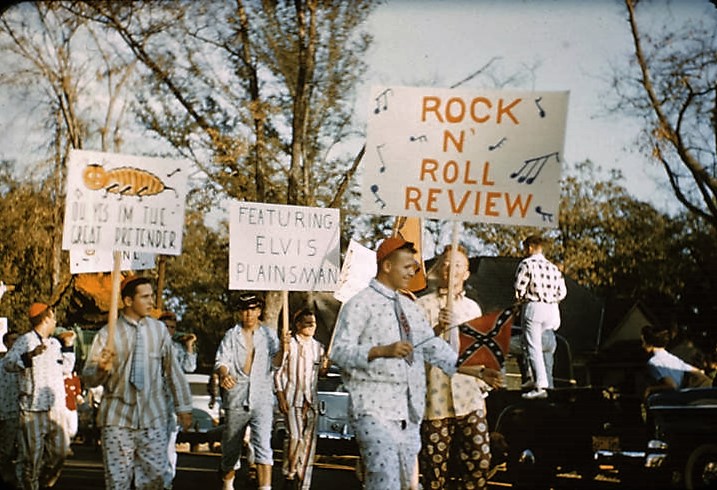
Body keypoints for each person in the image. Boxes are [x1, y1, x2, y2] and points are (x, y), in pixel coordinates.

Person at [330, 237, 503, 490]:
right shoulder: (383, 305)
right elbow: (344, 352)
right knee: (404, 476)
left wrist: (478, 372)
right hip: (402, 407)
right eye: (407, 265)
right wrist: (385, 349)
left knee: (456, 469)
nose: (414, 271)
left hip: (440, 404)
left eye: (457, 266)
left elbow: (445, 351)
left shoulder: (445, 309)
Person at [82, 276, 193, 490]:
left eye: (152, 296)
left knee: (156, 478)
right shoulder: (107, 334)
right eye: (145, 297)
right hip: (117, 418)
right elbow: (88, 377)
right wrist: (101, 370)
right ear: (128, 301)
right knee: (117, 482)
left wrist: (184, 408)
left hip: (154, 417)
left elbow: (174, 371)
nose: (151, 302)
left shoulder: (159, 331)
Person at [417, 244, 501, 490]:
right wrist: (436, 331)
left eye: (457, 265)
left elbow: (480, 352)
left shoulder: (472, 308)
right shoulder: (422, 306)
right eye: (445, 264)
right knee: (434, 469)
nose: (450, 269)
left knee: (479, 459)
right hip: (435, 399)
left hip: (469, 396)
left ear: (466, 273)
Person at [215, 292, 284, 490]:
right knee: (231, 447)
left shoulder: (269, 335)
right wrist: (224, 374)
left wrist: (284, 349)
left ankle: (265, 487)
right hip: (237, 396)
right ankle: (228, 484)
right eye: (245, 310)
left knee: (263, 445)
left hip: (261, 396)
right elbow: (222, 361)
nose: (249, 314)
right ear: (240, 312)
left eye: (253, 309)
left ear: (259, 311)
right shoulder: (231, 335)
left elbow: (276, 364)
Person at [4, 303, 76, 490]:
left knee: (59, 453)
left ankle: (44, 483)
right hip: (32, 408)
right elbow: (8, 364)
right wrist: (29, 356)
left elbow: (67, 369)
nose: (55, 321)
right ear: (45, 319)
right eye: (53, 317)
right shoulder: (24, 340)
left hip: (56, 407)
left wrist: (68, 347)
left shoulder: (54, 343)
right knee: (31, 458)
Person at [274, 307, 328, 490]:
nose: (311, 326)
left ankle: (303, 482)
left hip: (310, 401)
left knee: (308, 443)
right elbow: (277, 373)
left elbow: (320, 375)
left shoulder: (319, 348)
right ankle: (289, 474)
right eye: (307, 323)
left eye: (313, 323)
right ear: (298, 325)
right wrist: (280, 397)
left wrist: (325, 366)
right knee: (295, 437)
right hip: (292, 398)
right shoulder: (289, 345)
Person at [513, 235, 567, 400]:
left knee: (532, 346)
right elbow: (562, 292)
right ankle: (535, 378)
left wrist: (520, 300)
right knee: (539, 344)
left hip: (534, 306)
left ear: (529, 248)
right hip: (551, 308)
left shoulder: (527, 264)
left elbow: (519, 288)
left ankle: (540, 385)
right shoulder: (553, 268)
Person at [159, 310, 197, 489]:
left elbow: (189, 368)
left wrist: (189, 345)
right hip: (149, 403)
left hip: (170, 403)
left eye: (172, 327)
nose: (168, 330)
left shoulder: (177, 349)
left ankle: (167, 481)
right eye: (165, 326)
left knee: (168, 444)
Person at [641, 324, 711, 398]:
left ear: (650, 344)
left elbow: (671, 385)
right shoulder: (674, 358)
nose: (642, 345)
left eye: (643, 342)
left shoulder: (653, 362)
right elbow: (699, 374)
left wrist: (650, 389)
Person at [0, 331, 20, 488]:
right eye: (13, 340)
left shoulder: (24, 364)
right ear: (6, 343)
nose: (16, 342)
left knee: (16, 448)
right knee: (5, 448)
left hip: (17, 411)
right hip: (3, 410)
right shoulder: (1, 364)